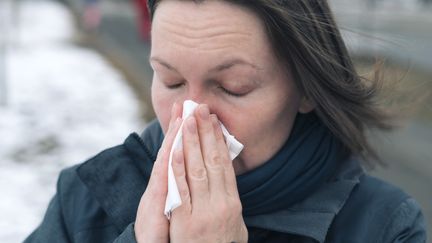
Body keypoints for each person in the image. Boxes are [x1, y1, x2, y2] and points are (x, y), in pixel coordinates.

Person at [25, 0, 427, 242]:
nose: (190, 115)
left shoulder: (384, 226)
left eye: (233, 87)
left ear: (305, 88)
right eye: (171, 80)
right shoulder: (83, 201)